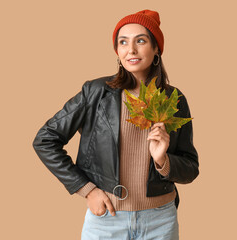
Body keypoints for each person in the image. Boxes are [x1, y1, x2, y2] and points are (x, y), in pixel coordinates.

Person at [32, 9, 199, 240]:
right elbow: (45, 140)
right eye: (123, 42)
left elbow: (191, 169)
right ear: (117, 50)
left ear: (156, 48)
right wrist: (87, 190)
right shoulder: (95, 92)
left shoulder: (174, 99)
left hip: (160, 220)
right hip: (106, 220)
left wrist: (163, 160)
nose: (131, 50)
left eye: (141, 41)